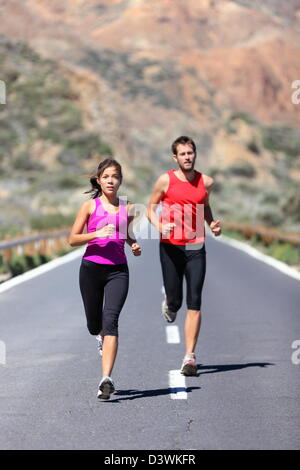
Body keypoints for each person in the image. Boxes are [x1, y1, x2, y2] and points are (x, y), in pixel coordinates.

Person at [147, 136, 221, 375]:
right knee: (176, 300)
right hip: (170, 246)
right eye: (183, 154)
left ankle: (189, 357)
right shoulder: (165, 181)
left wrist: (211, 224)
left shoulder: (206, 181)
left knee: (195, 300)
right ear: (175, 157)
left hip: (195, 246)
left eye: (191, 153)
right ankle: (170, 303)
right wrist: (159, 226)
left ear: (195, 154)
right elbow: (150, 207)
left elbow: (204, 204)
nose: (187, 157)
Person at [69, 158, 141, 399]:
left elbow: (126, 233)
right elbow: (72, 238)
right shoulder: (89, 207)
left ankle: (106, 379)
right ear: (99, 180)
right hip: (91, 269)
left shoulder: (127, 207)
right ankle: (98, 336)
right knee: (94, 325)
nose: (111, 181)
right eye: (107, 176)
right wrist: (96, 233)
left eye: (116, 176)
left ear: (121, 180)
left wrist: (133, 243)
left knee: (111, 320)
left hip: (118, 271)